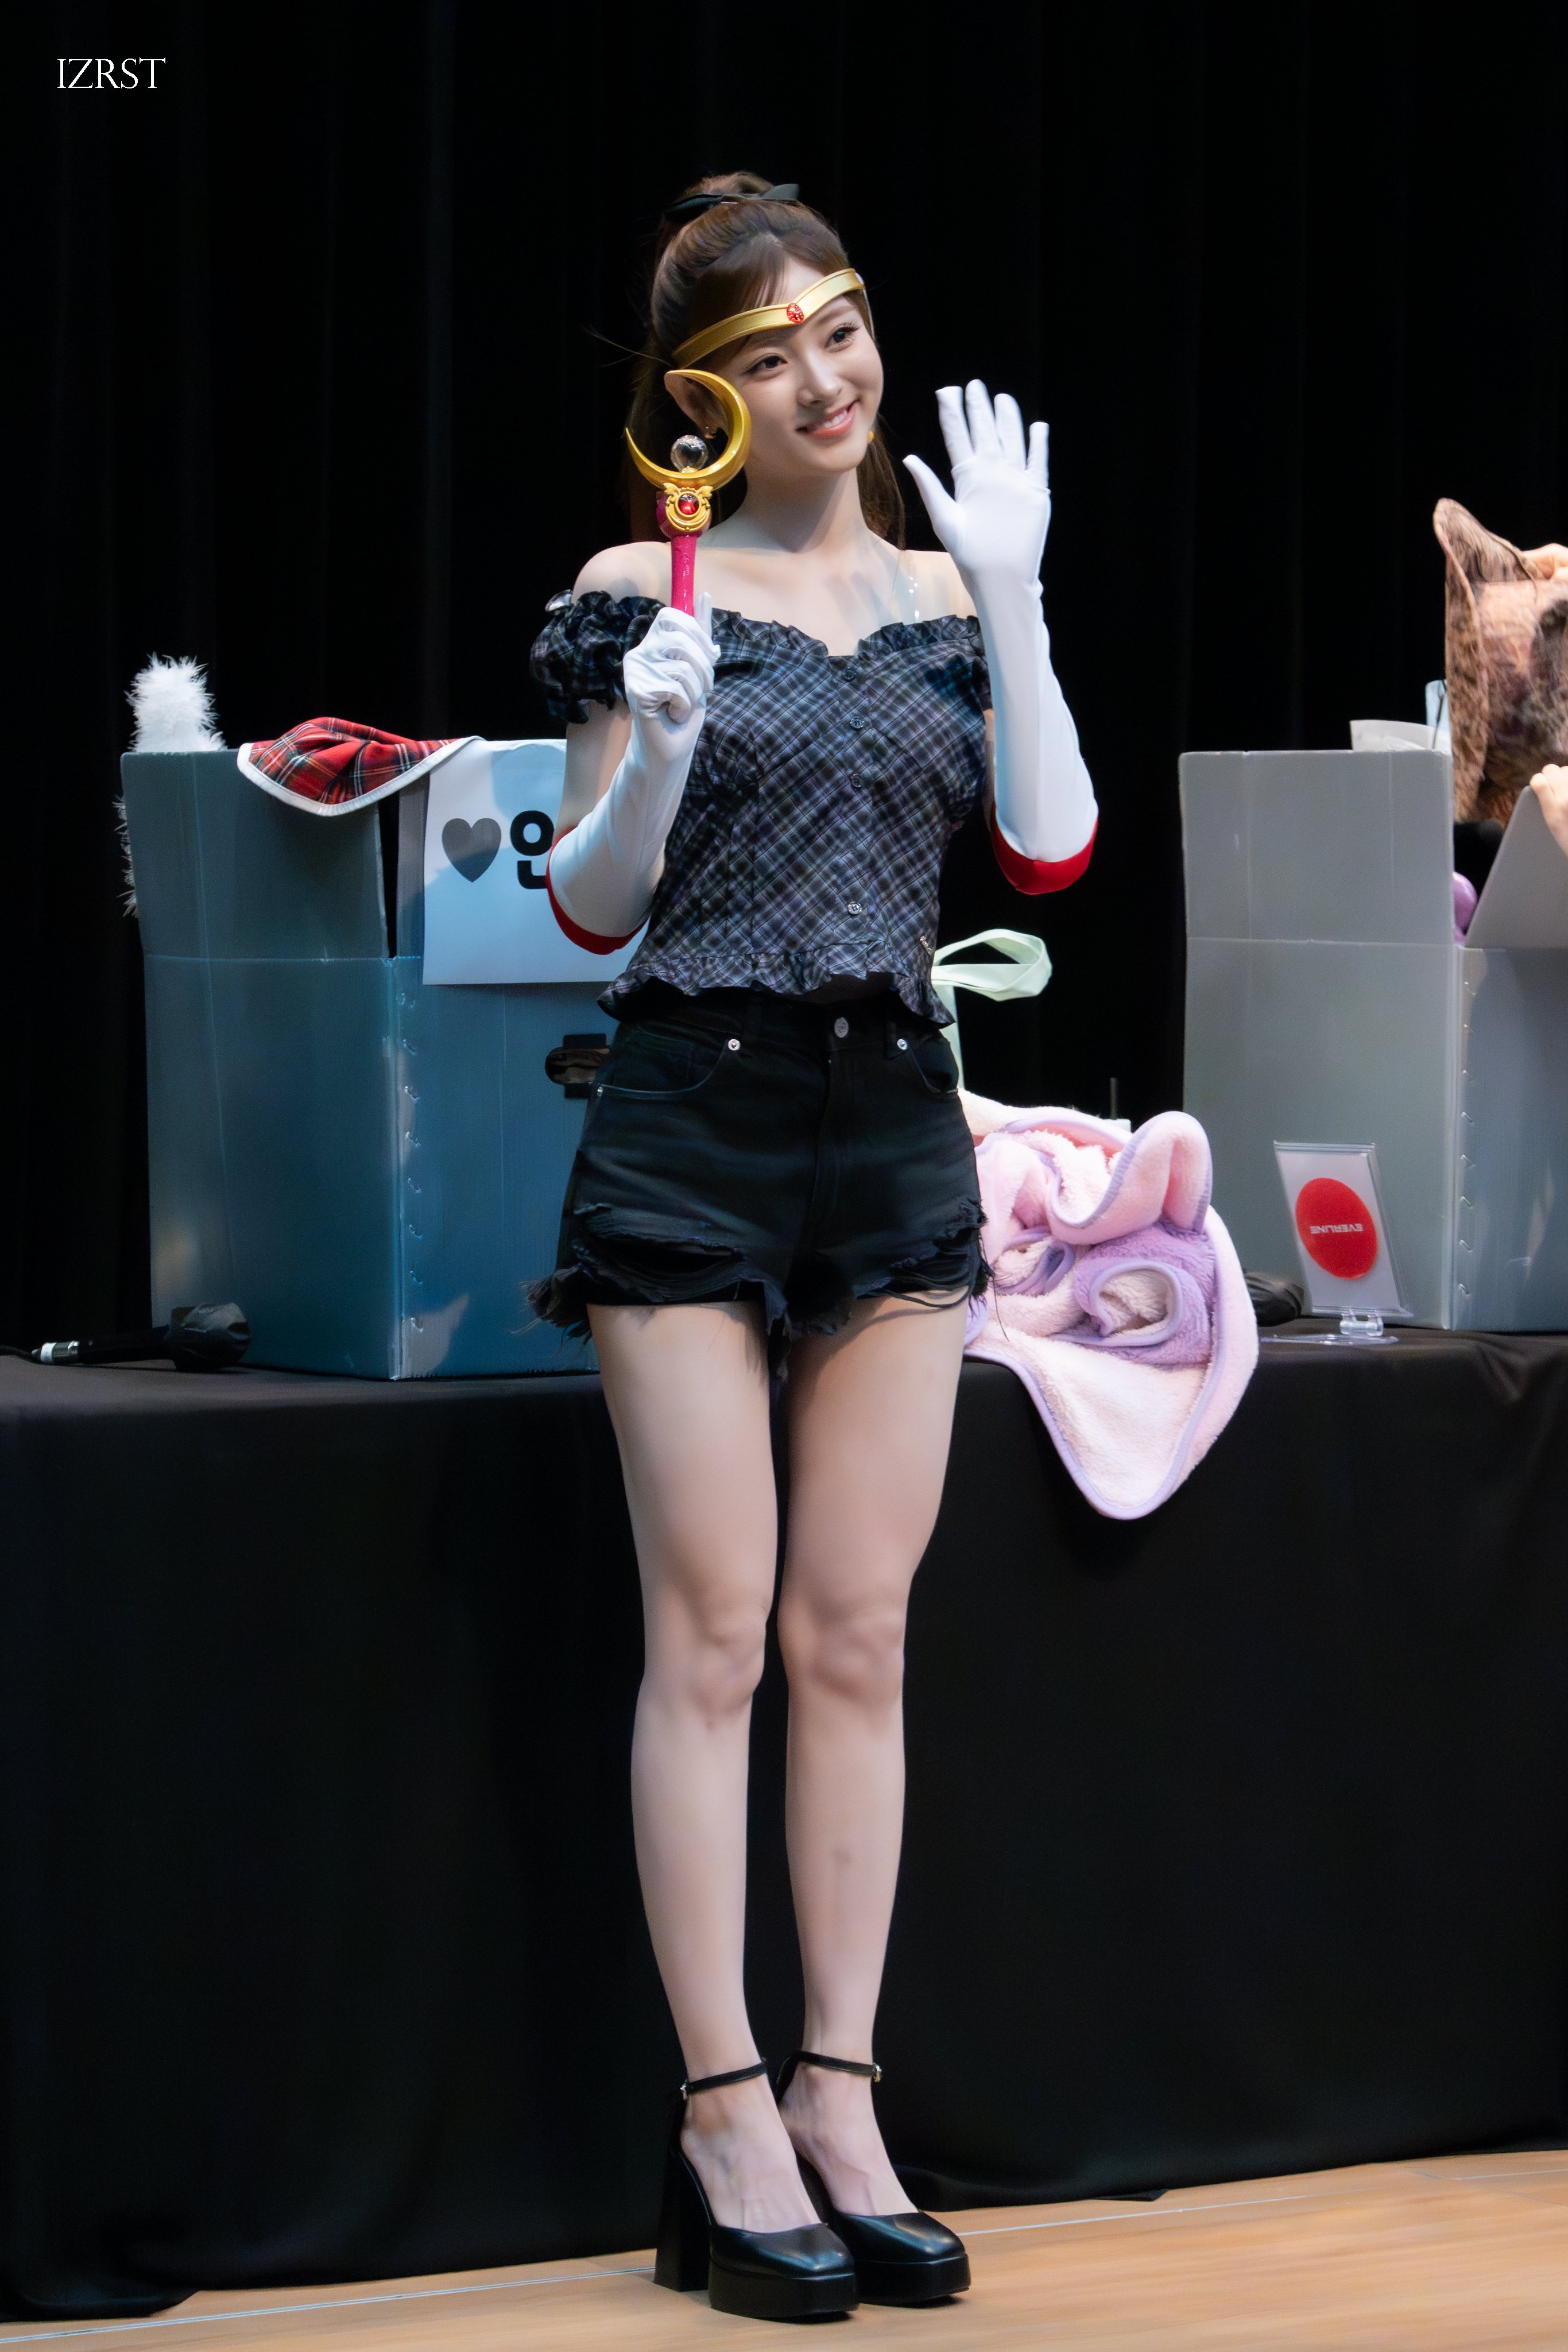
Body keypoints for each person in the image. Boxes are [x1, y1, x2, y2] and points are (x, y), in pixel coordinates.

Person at [529, 172, 1097, 2323]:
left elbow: (1045, 851)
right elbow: (589, 905)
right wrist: (653, 761)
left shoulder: (947, 587)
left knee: (856, 1634)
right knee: (715, 1636)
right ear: (699, 402)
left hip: (892, 1122)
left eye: (837, 330)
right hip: (694, 1108)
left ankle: (840, 2095)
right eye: (763, 357)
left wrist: (1014, 601)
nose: (821, 380)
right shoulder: (638, 585)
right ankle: (721, 2111)